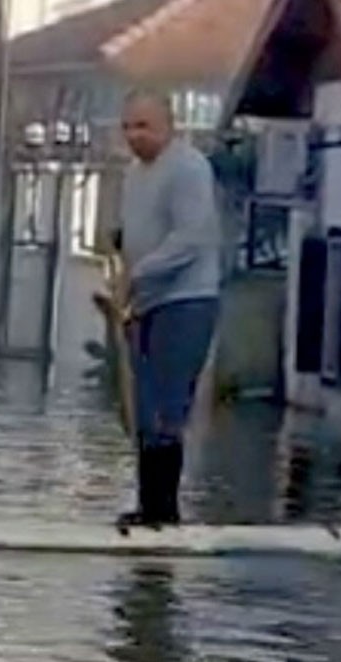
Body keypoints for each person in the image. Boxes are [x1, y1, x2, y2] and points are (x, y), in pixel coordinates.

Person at [116, 89, 222, 528]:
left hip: (186, 301)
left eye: (143, 126)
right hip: (146, 303)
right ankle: (148, 506)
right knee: (143, 407)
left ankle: (165, 511)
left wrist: (139, 271)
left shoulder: (189, 168)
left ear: (169, 126)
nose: (133, 136)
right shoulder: (133, 174)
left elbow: (191, 238)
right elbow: (138, 227)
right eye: (127, 127)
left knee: (167, 407)